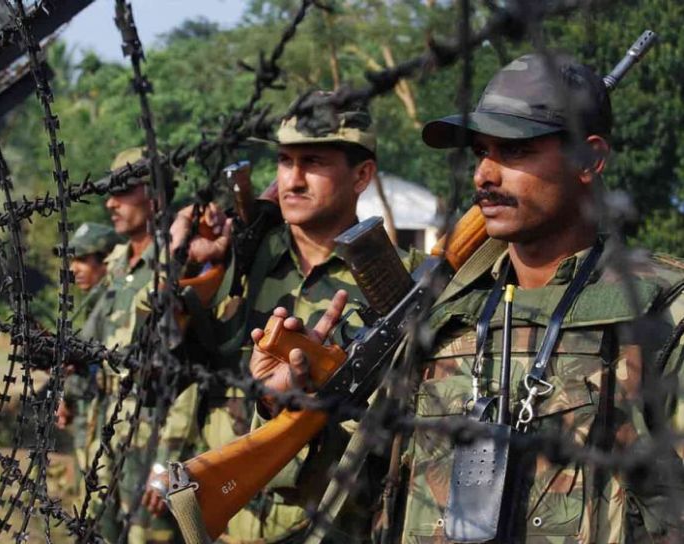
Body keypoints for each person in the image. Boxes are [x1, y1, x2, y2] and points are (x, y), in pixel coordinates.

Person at [248, 54, 684, 542]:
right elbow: (352, 498)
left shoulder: (662, 311)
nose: (484, 176)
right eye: (480, 151)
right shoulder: (439, 313)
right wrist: (297, 405)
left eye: (514, 150)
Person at [154, 92, 422, 542]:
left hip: (332, 527)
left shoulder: (399, 282)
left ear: (362, 175)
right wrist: (177, 260)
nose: (292, 181)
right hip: (227, 523)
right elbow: (154, 362)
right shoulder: (238, 262)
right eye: (284, 160)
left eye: (312, 162)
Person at [88, 148, 201, 544]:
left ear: (154, 196)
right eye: (110, 193)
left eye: (123, 192)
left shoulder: (177, 263)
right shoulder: (119, 263)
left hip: (154, 434)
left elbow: (191, 372)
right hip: (110, 426)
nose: (110, 203)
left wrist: (167, 462)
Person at [55, 222, 123, 498]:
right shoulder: (95, 304)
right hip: (91, 422)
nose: (73, 269)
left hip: (109, 425)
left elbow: (93, 364)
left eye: (82, 259)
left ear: (107, 261)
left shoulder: (113, 304)